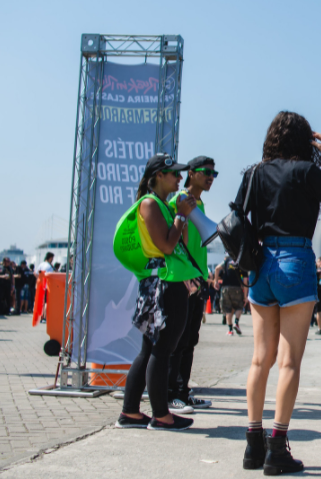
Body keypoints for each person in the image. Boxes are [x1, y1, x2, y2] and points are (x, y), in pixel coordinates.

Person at [239, 111, 321, 473]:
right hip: (296, 260)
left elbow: (239, 217)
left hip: (261, 264)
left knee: (261, 359)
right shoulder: (307, 173)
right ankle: (277, 449)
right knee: (289, 361)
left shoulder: (254, 173)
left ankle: (252, 446)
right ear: (306, 141)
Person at [116, 153, 201, 432]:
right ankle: (161, 415)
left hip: (164, 282)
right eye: (174, 174)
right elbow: (166, 246)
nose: (180, 178)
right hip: (163, 285)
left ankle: (131, 412)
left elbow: (179, 243)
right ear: (158, 176)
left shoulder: (162, 205)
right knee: (162, 349)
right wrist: (179, 215)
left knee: (151, 348)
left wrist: (182, 216)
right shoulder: (151, 204)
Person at [167, 155, 218, 414]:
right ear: (191, 172)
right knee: (178, 338)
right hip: (185, 278)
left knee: (190, 339)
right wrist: (189, 276)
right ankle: (171, 394)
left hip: (198, 278)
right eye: (206, 171)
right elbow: (179, 241)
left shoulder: (199, 203)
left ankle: (183, 391)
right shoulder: (181, 200)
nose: (211, 176)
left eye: (214, 173)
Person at [215, 258, 246, 336]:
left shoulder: (227, 260)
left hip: (226, 287)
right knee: (239, 306)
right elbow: (245, 280)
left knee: (227, 309)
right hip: (237, 287)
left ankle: (230, 330)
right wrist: (245, 296)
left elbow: (217, 268)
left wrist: (215, 281)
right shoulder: (242, 260)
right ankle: (236, 322)